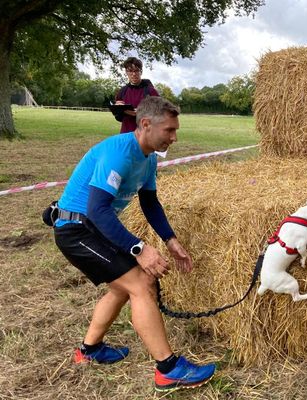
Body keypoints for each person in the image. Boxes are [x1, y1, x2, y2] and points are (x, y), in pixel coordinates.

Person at [53, 96, 215, 392]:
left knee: (122, 287)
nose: (174, 137)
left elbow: (150, 203)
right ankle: (168, 369)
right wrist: (140, 249)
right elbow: (98, 209)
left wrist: (171, 240)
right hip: (75, 230)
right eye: (169, 130)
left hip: (94, 226)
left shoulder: (149, 156)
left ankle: (88, 350)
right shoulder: (119, 154)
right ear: (145, 124)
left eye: (175, 130)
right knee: (140, 283)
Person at [113, 57, 160, 133]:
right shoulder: (122, 91)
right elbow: (118, 118)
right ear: (126, 72)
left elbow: (160, 110)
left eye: (136, 71)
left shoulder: (150, 91)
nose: (134, 74)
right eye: (130, 71)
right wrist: (118, 108)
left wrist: (142, 112)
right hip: (126, 134)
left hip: (145, 134)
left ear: (141, 71)